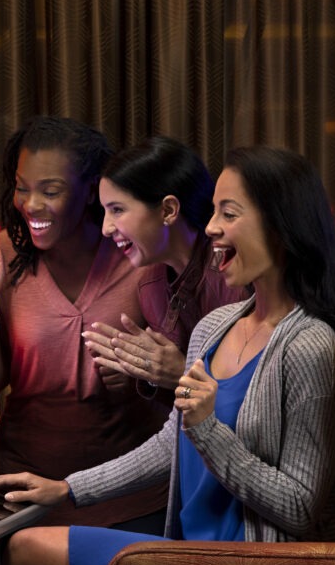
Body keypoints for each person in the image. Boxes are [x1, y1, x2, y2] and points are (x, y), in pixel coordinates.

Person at [0, 145, 335, 565]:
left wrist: (208, 428)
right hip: (189, 552)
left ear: (280, 226)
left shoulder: (311, 346)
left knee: (23, 548)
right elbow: (171, 445)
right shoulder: (215, 327)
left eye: (229, 214)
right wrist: (66, 489)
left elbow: (299, 507)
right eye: (214, 212)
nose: (211, 228)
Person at [0, 115, 170, 531]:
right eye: (22, 188)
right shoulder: (2, 256)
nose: (31, 205)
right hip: (23, 493)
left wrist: (139, 377)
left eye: (51, 191)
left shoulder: (137, 257)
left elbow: (184, 381)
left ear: (90, 191)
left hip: (127, 498)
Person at [82, 136, 246, 398]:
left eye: (117, 210)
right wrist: (141, 374)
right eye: (105, 212)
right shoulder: (151, 286)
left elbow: (252, 401)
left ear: (168, 210)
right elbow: (176, 406)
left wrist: (180, 374)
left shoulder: (235, 276)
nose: (106, 228)